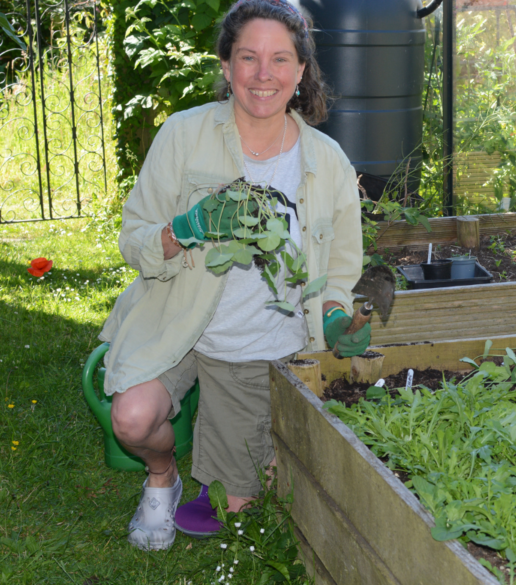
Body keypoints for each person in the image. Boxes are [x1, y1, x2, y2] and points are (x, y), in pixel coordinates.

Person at [99, 0, 370, 551]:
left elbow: (338, 269)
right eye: (248, 57)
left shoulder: (330, 161)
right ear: (226, 66)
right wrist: (183, 228)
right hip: (177, 318)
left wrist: (339, 319)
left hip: (260, 344)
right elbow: (134, 237)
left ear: (300, 71)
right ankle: (163, 477)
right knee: (131, 418)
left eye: (279, 60)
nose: (263, 74)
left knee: (241, 500)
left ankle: (254, 459)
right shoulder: (183, 135)